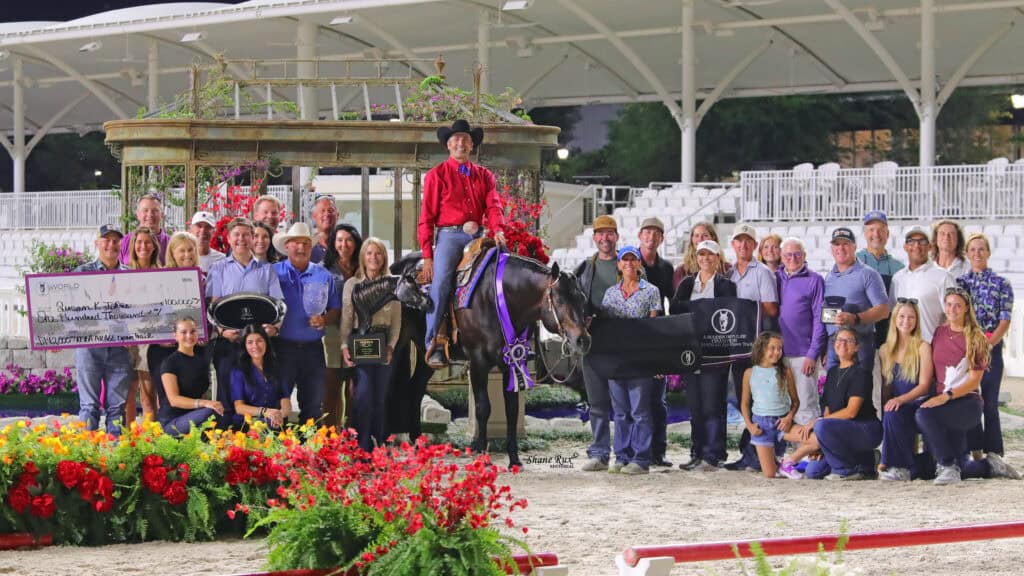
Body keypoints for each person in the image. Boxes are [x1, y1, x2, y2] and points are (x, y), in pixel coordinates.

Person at [418, 119, 506, 368]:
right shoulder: (437, 175)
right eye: (456, 139)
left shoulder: (484, 175)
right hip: (450, 235)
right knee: (442, 281)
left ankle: (506, 337)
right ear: (448, 144)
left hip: (479, 235)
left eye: (466, 139)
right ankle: (433, 342)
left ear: (472, 146)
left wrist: (498, 230)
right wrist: (427, 255)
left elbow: (493, 206)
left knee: (501, 272)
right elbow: (426, 217)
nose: (461, 143)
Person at [914, 287, 1018, 484]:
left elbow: (974, 380)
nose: (952, 309)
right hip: (943, 401)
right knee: (955, 466)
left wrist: (947, 396)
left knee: (923, 414)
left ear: (966, 308)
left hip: (966, 402)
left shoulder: (975, 337)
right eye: (949, 304)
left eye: (957, 305)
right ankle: (988, 467)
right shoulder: (939, 332)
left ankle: (947, 466)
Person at [206, 217, 284, 424]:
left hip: (258, 346)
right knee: (225, 395)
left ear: (252, 237)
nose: (241, 239)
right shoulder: (219, 268)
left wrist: (274, 329)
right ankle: (226, 444)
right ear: (229, 239)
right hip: (228, 343)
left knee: (258, 393)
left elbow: (278, 306)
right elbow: (213, 306)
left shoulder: (267, 270)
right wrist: (222, 331)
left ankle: (258, 442)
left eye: (246, 234)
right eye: (236, 235)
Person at [670, 240, 737, 471]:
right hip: (690, 352)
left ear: (718, 258)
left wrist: (697, 311)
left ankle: (713, 454)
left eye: (710, 255)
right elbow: (675, 310)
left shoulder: (726, 285)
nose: (706, 259)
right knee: (696, 407)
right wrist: (703, 311)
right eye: (702, 255)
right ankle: (696, 453)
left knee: (713, 405)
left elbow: (727, 314)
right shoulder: (687, 283)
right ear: (696, 257)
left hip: (715, 354)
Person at [957, 233, 1017, 474]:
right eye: (973, 249)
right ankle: (974, 450)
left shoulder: (1003, 284)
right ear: (967, 253)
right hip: (967, 348)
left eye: (981, 249)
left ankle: (994, 453)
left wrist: (989, 343)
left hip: (991, 346)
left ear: (988, 252)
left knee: (990, 403)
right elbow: (958, 316)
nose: (977, 253)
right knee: (971, 399)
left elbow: (1005, 319)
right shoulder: (961, 284)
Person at [600, 246, 662, 475]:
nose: (628, 263)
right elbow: (605, 328)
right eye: (624, 260)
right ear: (618, 265)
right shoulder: (610, 294)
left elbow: (655, 328)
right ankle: (622, 457)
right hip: (616, 360)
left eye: (633, 259)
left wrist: (656, 361)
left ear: (639, 264)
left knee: (640, 411)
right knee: (620, 412)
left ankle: (641, 459)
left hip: (640, 359)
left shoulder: (651, 291)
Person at [272, 222, 341, 423]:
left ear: (311, 247)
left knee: (312, 403)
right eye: (295, 243)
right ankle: (278, 450)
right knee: (280, 402)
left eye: (305, 243)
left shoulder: (323, 275)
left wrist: (325, 319)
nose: (301, 247)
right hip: (282, 347)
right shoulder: (274, 273)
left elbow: (335, 309)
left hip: (313, 349)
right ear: (287, 246)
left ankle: (308, 451)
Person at [340, 238, 403, 452]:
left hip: (384, 344)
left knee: (381, 398)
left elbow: (396, 321)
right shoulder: (352, 285)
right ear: (363, 257)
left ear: (384, 257)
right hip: (360, 343)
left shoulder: (393, 284)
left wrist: (391, 347)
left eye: (378, 253)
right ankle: (361, 447)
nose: (373, 257)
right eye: (369, 253)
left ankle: (379, 446)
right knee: (363, 395)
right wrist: (343, 346)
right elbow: (347, 319)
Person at [725, 223, 779, 471]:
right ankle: (751, 451)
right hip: (735, 346)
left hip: (757, 347)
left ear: (754, 245)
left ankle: (762, 454)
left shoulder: (763, 273)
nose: (743, 245)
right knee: (742, 398)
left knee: (762, 402)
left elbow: (771, 309)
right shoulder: (728, 274)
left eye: (748, 241)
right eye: (739, 241)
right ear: (733, 245)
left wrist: (744, 309)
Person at [73, 224, 132, 434]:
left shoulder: (131, 276)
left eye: (115, 241)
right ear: (97, 243)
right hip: (89, 347)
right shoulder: (81, 273)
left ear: (121, 245)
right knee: (89, 406)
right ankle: (85, 457)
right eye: (106, 240)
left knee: (117, 407)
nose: (111, 245)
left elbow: (136, 312)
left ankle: (115, 457)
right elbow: (70, 310)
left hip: (119, 349)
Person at [803, 328, 881, 480]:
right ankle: (866, 460)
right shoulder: (832, 373)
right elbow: (826, 410)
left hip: (865, 429)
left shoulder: (861, 373)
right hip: (839, 431)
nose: (842, 344)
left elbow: (851, 412)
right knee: (813, 471)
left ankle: (846, 470)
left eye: (848, 340)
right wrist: (822, 440)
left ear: (857, 347)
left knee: (821, 425)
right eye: (839, 340)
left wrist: (820, 424)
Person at [575, 215, 619, 472]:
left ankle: (626, 453)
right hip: (592, 341)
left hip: (622, 340)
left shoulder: (627, 264)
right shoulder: (585, 268)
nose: (604, 238)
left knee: (624, 404)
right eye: (600, 234)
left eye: (609, 233)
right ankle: (600, 453)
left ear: (617, 236)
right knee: (597, 402)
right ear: (594, 238)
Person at [877, 300, 933, 481]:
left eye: (911, 317)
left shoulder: (923, 347)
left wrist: (900, 400)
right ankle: (895, 464)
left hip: (919, 403)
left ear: (916, 321)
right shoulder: (885, 350)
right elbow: (887, 387)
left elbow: (924, 385)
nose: (906, 321)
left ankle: (899, 467)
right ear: (894, 319)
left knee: (894, 411)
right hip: (898, 406)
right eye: (902, 316)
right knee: (890, 412)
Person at [823, 227, 889, 372]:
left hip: (860, 344)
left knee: (860, 390)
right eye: (836, 244)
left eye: (845, 243)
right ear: (831, 249)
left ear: (854, 246)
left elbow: (884, 310)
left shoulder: (868, 274)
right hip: (834, 344)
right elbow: (828, 313)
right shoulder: (829, 277)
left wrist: (855, 318)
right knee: (834, 391)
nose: (840, 248)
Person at [776, 237, 827, 426]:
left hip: (803, 355)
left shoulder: (814, 280)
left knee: (806, 406)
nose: (792, 258)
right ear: (781, 257)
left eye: (797, 254)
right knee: (783, 406)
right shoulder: (775, 277)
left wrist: (812, 353)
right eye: (788, 254)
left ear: (804, 255)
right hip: (778, 355)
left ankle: (810, 452)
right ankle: (790, 453)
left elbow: (819, 319)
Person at [637, 216, 674, 468]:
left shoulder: (666, 268)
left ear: (661, 239)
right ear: (640, 235)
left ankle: (658, 452)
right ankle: (637, 451)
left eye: (656, 233)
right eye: (647, 232)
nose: (651, 237)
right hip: (634, 337)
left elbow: (672, 303)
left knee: (658, 401)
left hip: (659, 336)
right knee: (636, 400)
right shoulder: (628, 262)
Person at [740, 332, 803, 479]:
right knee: (770, 474)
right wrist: (750, 426)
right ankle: (779, 464)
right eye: (772, 348)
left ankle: (787, 462)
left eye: (779, 348)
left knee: (815, 439)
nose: (777, 352)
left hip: (783, 423)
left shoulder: (785, 372)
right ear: (761, 349)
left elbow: (796, 401)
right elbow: (744, 404)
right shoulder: (749, 373)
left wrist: (788, 418)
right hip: (761, 425)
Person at [321, 223, 363, 428]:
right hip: (331, 331)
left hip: (358, 332)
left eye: (348, 240)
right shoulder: (324, 268)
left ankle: (351, 432)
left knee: (355, 385)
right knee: (332, 384)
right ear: (333, 243)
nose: (343, 244)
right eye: (339, 240)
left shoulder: (364, 267)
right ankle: (329, 433)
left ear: (355, 243)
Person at [157, 317, 224, 437]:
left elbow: (201, 392)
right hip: (172, 422)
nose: (189, 335)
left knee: (223, 413)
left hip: (194, 416)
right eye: (183, 332)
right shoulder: (170, 362)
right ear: (175, 335)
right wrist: (205, 403)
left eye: (193, 331)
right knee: (210, 411)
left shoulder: (201, 361)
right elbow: (174, 400)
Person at [888, 225, 954, 343]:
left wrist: (939, 343)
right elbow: (893, 315)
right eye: (911, 241)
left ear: (930, 246)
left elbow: (955, 316)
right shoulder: (897, 278)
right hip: (903, 351)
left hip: (931, 350)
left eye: (922, 241)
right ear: (905, 247)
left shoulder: (943, 277)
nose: (917, 246)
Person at [127, 227, 161, 424]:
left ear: (154, 246)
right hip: (129, 339)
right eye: (139, 242)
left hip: (151, 339)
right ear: (133, 246)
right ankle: (129, 437)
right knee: (129, 392)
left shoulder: (161, 273)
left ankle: (151, 436)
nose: (143, 246)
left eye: (147, 242)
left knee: (149, 394)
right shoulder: (124, 273)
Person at [230, 324, 291, 429]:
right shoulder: (238, 370)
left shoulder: (278, 367)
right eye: (250, 342)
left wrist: (279, 415)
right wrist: (265, 412)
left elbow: (286, 403)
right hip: (247, 423)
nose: (255, 346)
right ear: (244, 346)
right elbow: (239, 407)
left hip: (274, 422)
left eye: (259, 341)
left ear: (266, 342)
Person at [672, 221, 730, 290]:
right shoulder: (681, 271)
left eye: (705, 235)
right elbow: (679, 298)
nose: (700, 239)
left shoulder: (727, 268)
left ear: (713, 238)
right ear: (691, 239)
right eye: (696, 236)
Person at [120, 193, 170, 265]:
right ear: (138, 214)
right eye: (145, 210)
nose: (150, 215)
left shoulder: (170, 243)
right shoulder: (125, 241)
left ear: (162, 214)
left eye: (155, 210)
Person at [310, 194, 339, 264]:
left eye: (330, 210)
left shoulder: (344, 244)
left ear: (337, 214)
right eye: (322, 211)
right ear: (314, 215)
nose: (327, 214)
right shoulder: (307, 247)